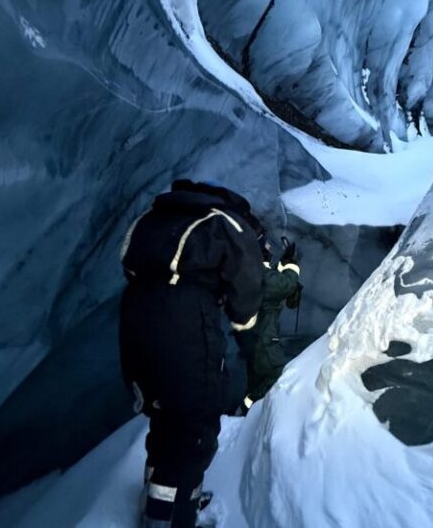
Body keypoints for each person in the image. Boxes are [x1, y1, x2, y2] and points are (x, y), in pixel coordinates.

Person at [119, 179, 265, 527]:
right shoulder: (226, 222)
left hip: (135, 314)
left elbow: (127, 261)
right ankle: (175, 519)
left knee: (165, 416)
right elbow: (247, 288)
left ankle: (159, 504)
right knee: (194, 424)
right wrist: (248, 339)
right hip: (184, 320)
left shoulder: (155, 217)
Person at [237, 240, 302, 414]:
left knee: (259, 379)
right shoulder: (256, 272)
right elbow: (283, 285)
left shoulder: (252, 270)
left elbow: (273, 279)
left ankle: (249, 414)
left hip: (256, 337)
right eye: (265, 244)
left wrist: (283, 263)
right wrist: (293, 265)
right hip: (263, 338)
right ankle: (246, 410)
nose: (269, 247)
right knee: (278, 374)